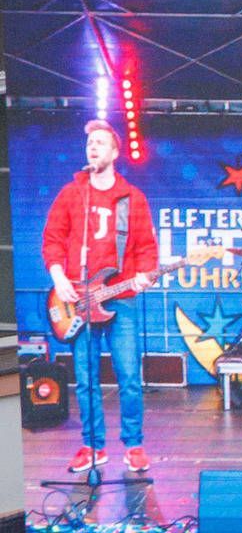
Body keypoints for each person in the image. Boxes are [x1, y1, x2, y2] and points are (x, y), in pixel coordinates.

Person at [43, 118, 157, 481]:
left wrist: (142, 278)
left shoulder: (132, 198)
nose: (93, 147)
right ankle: (93, 445)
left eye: (101, 143)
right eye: (89, 142)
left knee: (128, 375)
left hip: (118, 297)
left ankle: (134, 445)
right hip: (77, 297)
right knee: (86, 378)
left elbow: (146, 250)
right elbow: (52, 239)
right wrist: (59, 278)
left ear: (114, 152)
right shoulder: (72, 193)